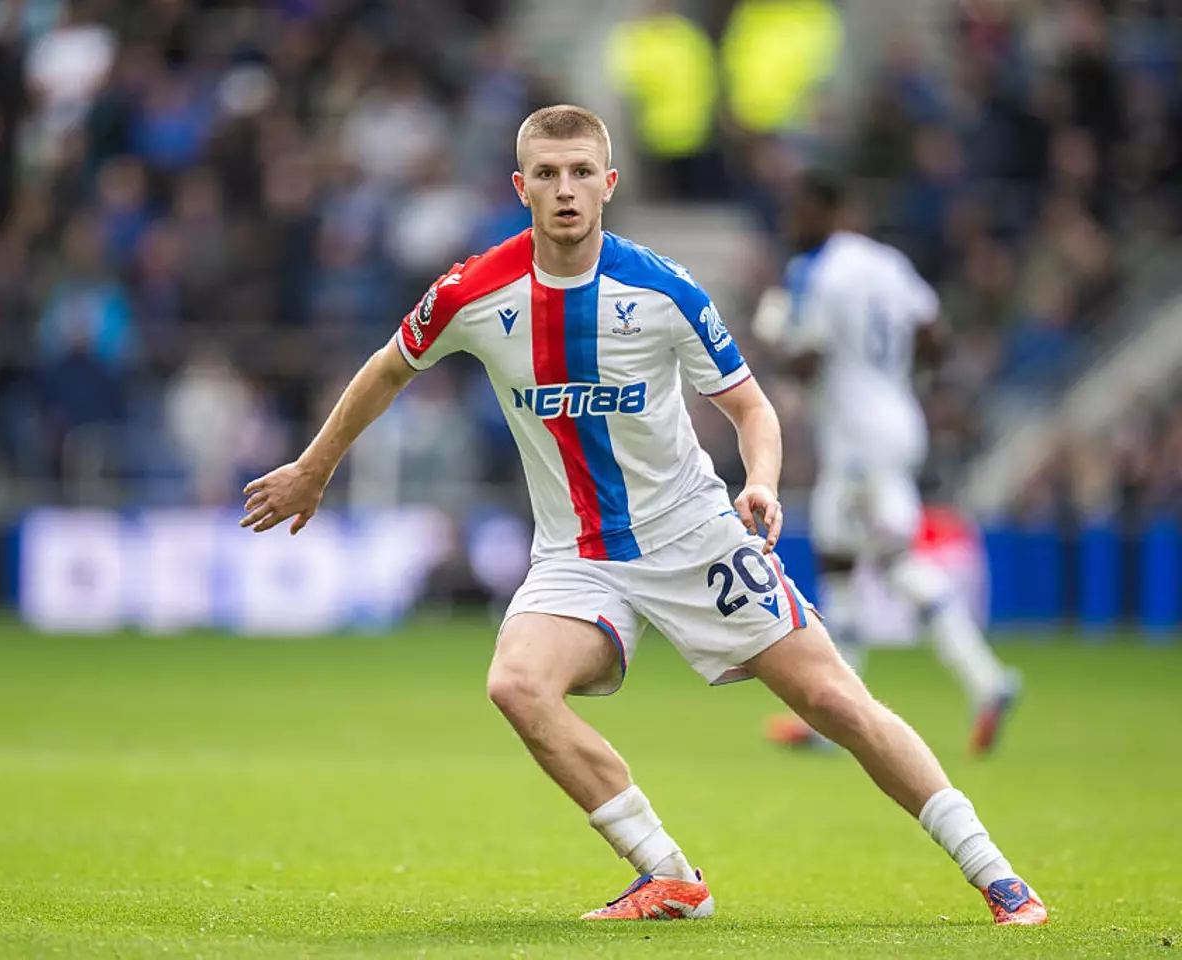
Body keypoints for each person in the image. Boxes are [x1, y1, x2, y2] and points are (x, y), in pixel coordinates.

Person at [241, 106, 1046, 925]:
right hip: (575, 554)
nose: (565, 190)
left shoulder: (662, 288)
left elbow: (753, 409)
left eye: (581, 172)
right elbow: (386, 370)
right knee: (517, 684)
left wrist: (761, 481)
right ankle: (669, 874)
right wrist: (313, 470)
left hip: (692, 536)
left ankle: (998, 876)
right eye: (547, 175)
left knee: (837, 703)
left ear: (609, 184)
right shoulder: (471, 291)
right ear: (521, 187)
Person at [753, 171, 1020, 755]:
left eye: (798, 212)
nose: (790, 224)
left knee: (896, 560)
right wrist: (892, 375)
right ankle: (837, 709)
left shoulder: (815, 272)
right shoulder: (887, 263)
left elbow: (807, 362)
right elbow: (935, 335)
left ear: (825, 211)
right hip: (896, 418)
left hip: (858, 438)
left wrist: (772, 337)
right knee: (838, 554)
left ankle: (988, 679)